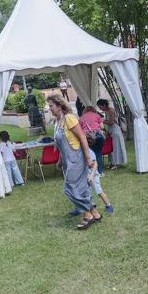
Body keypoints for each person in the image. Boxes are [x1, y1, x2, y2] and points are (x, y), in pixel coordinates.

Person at [47, 94, 101, 229]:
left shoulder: (69, 118)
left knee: (69, 189)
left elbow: (82, 137)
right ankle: (95, 213)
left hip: (77, 158)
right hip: (67, 160)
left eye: (52, 106)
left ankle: (87, 214)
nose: (50, 109)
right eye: (49, 106)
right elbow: (60, 143)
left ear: (59, 106)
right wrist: (60, 159)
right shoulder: (57, 122)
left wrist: (88, 158)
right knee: (82, 188)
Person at [98, 99, 127, 169]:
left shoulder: (111, 111)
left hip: (115, 130)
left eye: (100, 107)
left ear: (104, 105)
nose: (100, 108)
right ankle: (112, 162)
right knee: (111, 147)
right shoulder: (106, 111)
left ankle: (116, 163)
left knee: (116, 147)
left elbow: (111, 122)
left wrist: (102, 120)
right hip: (111, 129)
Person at [79, 106, 106, 174]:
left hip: (88, 138)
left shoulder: (82, 117)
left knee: (89, 154)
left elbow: (80, 130)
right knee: (98, 153)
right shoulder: (97, 115)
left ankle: (91, 172)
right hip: (98, 136)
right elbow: (102, 127)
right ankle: (100, 172)